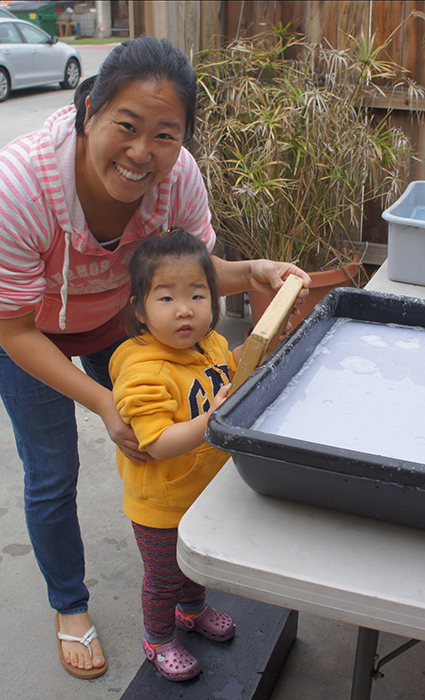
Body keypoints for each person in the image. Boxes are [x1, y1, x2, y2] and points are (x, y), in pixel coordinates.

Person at [0, 36, 309, 679]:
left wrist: (256, 270)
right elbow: (14, 329)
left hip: (118, 324)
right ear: (89, 108)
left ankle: (182, 590)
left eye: (165, 135)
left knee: (174, 436)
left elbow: (193, 273)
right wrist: (104, 403)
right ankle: (70, 606)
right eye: (127, 125)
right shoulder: (19, 187)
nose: (141, 153)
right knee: (51, 469)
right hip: (32, 334)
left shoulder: (177, 179)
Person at [110, 229, 242, 681]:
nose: (185, 309)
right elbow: (158, 441)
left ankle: (193, 611)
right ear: (139, 311)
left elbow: (228, 371)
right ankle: (158, 637)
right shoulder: (145, 372)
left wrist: (268, 341)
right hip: (160, 504)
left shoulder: (211, 346)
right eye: (166, 298)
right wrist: (214, 419)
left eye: (197, 295)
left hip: (200, 490)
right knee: (164, 578)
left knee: (196, 561)